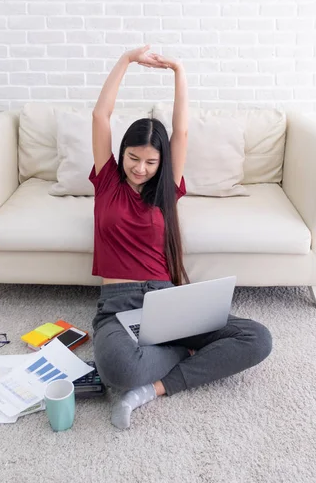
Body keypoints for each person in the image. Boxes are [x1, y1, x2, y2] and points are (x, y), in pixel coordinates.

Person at [89, 44, 272, 430]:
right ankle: (187, 349)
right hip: (117, 305)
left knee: (257, 338)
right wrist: (126, 60)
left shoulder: (167, 190)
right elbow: (100, 115)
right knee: (119, 369)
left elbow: (182, 129)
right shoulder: (107, 181)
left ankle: (154, 388)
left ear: (163, 163)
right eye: (133, 158)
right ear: (121, 154)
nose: (140, 168)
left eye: (151, 162)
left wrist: (178, 70)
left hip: (167, 300)